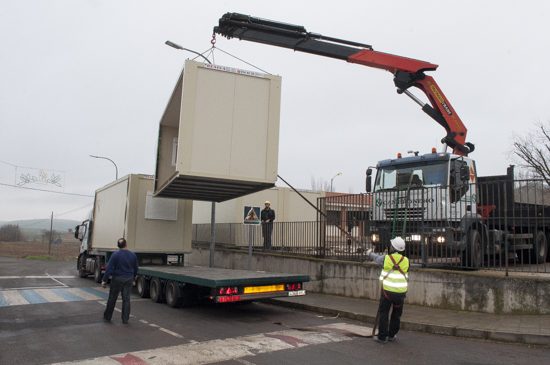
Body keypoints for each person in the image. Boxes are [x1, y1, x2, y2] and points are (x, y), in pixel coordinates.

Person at [366, 236, 409, 344]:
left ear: (393, 248)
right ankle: (391, 335)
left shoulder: (386, 258)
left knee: (384, 313)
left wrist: (369, 253)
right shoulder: (406, 261)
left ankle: (382, 337)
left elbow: (376, 258)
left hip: (387, 292)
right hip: (400, 294)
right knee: (396, 314)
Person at [101, 238, 139, 324]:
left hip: (117, 279)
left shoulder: (115, 255)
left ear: (118, 246)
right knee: (126, 299)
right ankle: (125, 319)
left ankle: (108, 316)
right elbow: (136, 268)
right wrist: (134, 278)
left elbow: (109, 268)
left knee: (112, 298)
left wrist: (104, 280)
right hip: (129, 279)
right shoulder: (133, 255)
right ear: (126, 244)